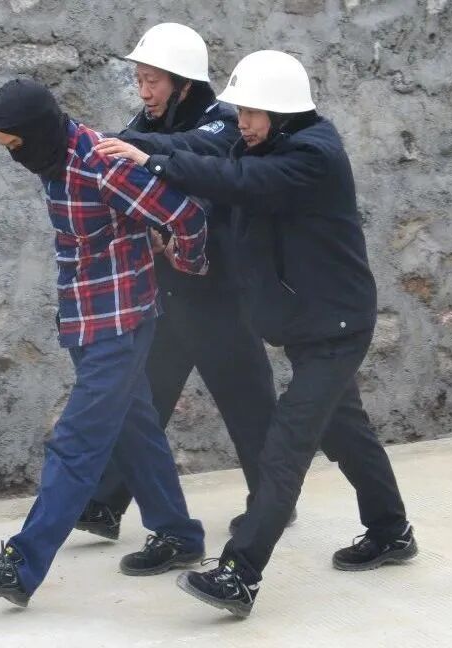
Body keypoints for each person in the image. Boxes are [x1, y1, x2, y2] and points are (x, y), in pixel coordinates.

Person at [96, 50, 417, 618]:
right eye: (240, 110)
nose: (240, 122)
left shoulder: (312, 157)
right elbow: (215, 176)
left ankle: (240, 572)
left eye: (251, 113)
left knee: (285, 447)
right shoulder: (262, 145)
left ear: (283, 113)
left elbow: (236, 180)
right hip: (309, 324)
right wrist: (160, 189)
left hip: (338, 327)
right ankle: (392, 530)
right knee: (346, 431)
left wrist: (151, 161)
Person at [0, 78, 208, 608]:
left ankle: (22, 564)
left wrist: (186, 263)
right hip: (84, 320)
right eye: (6, 147)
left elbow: (184, 215)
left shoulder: (102, 163)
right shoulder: (52, 158)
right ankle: (179, 534)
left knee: (77, 441)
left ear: (38, 132)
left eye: (16, 144)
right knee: (134, 429)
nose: (14, 157)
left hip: (121, 324)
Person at [76, 23, 289, 543]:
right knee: (141, 401)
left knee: (248, 403)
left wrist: (130, 146)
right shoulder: (144, 123)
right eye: (139, 80)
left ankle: (273, 504)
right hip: (169, 290)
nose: (144, 92)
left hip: (222, 293)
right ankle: (104, 504)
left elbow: (189, 151)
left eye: (153, 81)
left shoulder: (224, 121)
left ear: (185, 84)